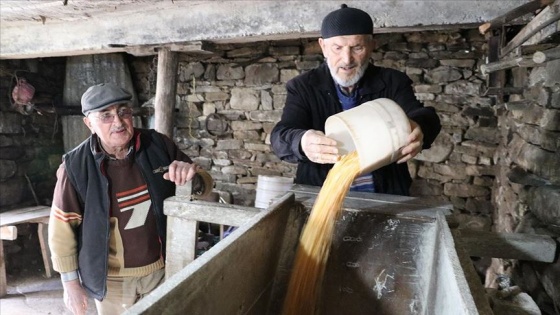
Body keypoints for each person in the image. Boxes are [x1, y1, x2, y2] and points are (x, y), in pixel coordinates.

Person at [48, 83, 212, 315]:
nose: (118, 122)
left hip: (163, 270)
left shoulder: (157, 144)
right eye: (105, 115)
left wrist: (191, 178)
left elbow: (204, 185)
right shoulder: (75, 167)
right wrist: (70, 283)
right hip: (112, 281)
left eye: (123, 111)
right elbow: (61, 229)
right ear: (89, 123)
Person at [271, 4, 441, 196]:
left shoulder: (392, 81)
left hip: (385, 194)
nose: (346, 59)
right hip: (322, 195)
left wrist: (419, 128)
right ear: (323, 47)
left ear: (371, 46)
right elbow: (280, 136)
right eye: (337, 48)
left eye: (357, 47)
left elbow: (426, 116)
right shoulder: (303, 87)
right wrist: (301, 142)